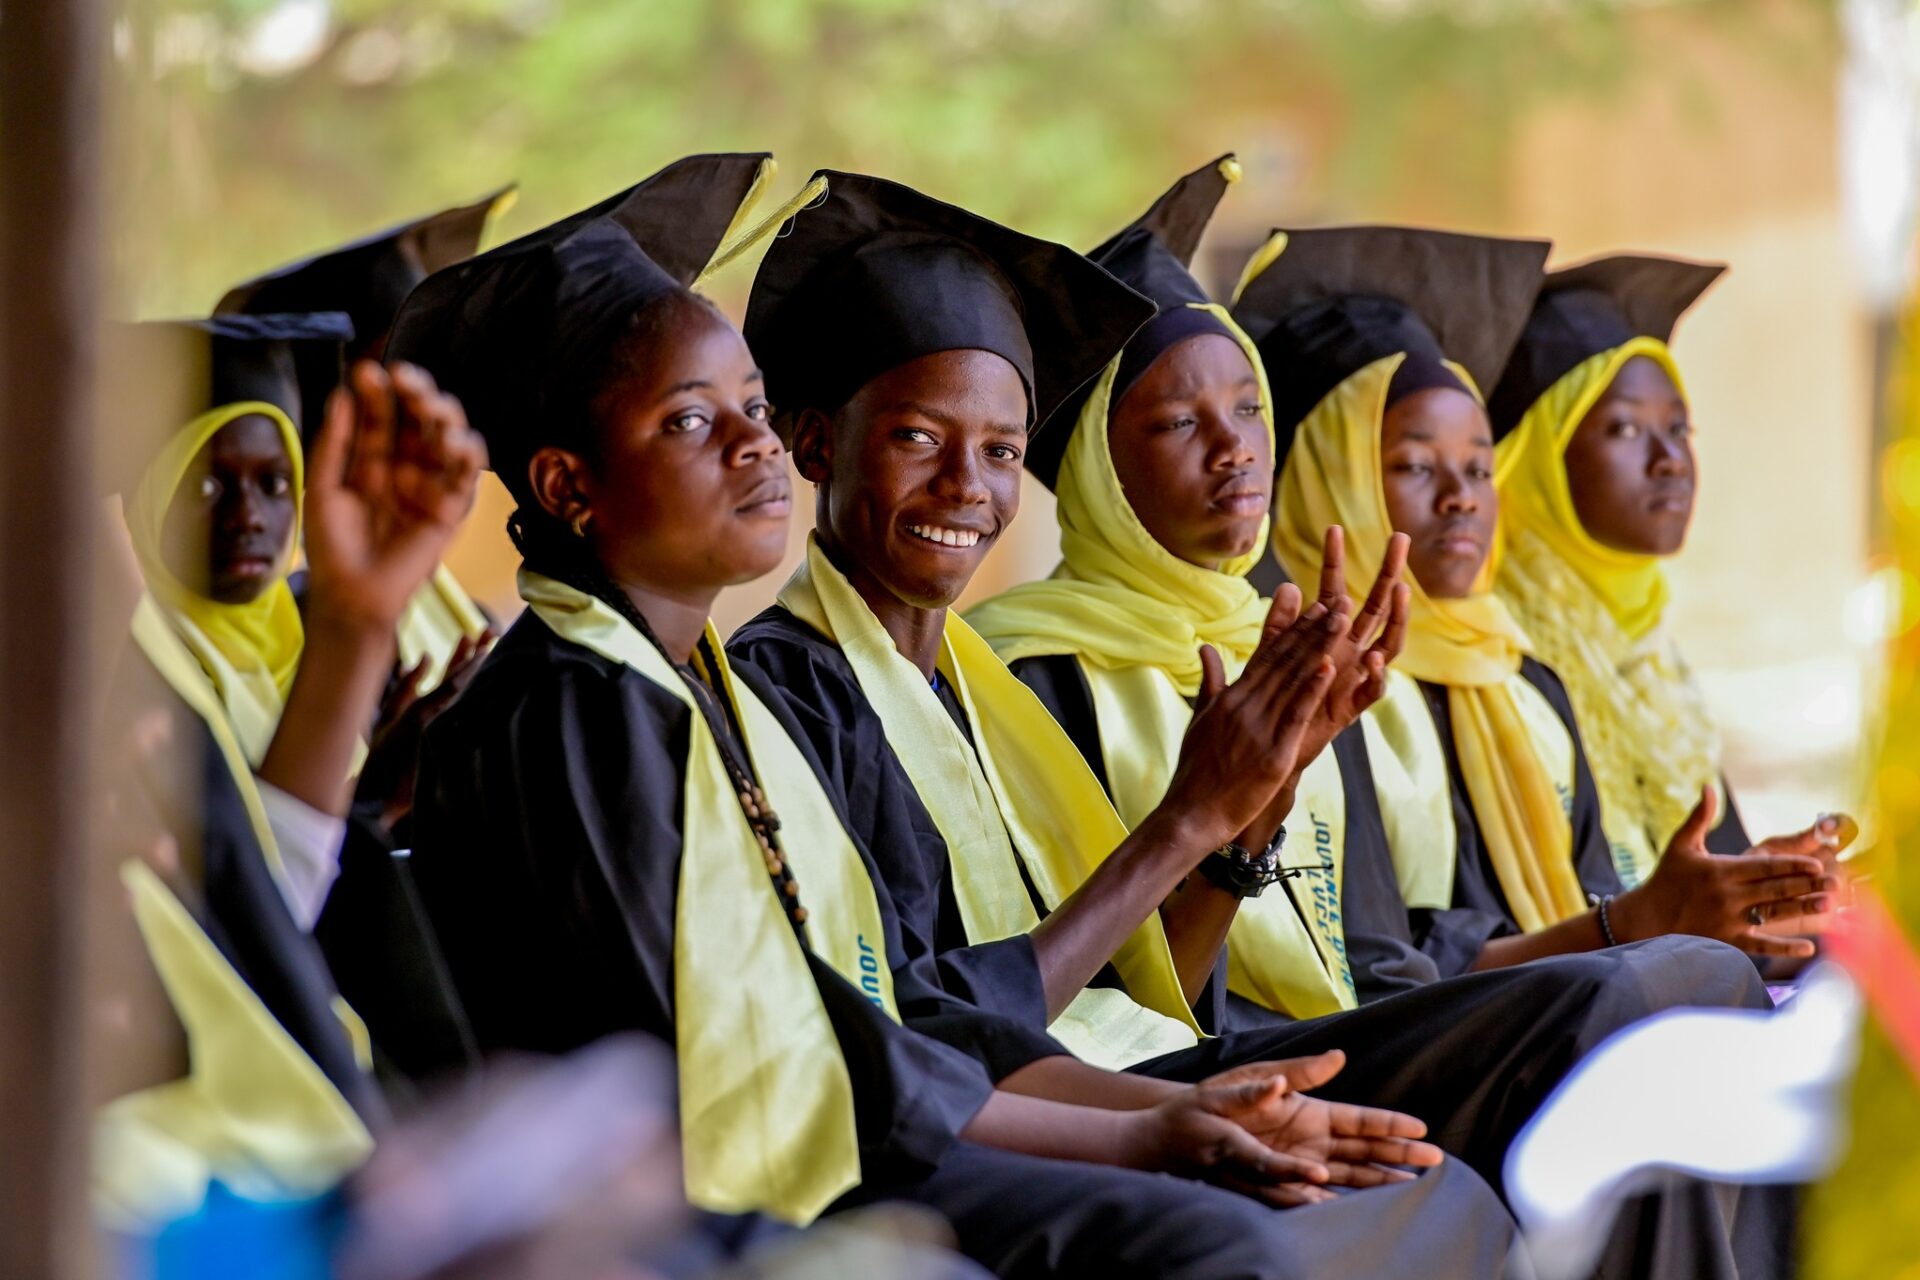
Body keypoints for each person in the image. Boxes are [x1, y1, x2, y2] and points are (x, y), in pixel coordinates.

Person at [390, 154, 1526, 1279]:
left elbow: (876, 1016)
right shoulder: (585, 708)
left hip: (925, 1110)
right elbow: (757, 1063)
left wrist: (1159, 1088)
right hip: (729, 1197)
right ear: (565, 487)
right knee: (1225, 1237)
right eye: (692, 422)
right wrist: (1138, 1120)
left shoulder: (692, 688)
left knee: (1430, 1184)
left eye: (748, 406)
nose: (753, 444)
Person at [727, 172, 1805, 1280]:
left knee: (1692, 986)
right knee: (1622, 1006)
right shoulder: (914, 676)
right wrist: (1198, 825)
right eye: (919, 437)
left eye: (1001, 449)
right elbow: (938, 1029)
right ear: (816, 446)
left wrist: (1247, 816)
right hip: (1083, 1090)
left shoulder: (990, 684)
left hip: (1172, 1051)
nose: (1238, 451)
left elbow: (1155, 985)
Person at [1231, 224, 1843, 977]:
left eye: (1477, 469)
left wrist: (1757, 895)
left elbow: (1619, 907)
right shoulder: (1323, 696)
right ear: (1335, 481)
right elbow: (1390, 969)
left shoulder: (1522, 682)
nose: (1460, 500)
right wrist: (1652, 926)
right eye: (1416, 467)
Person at [966, 156, 1433, 1018]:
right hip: (1183, 1075)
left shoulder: (1291, 651)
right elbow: (1103, 1009)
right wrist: (1231, 819)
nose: (1235, 447)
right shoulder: (1020, 674)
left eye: (1249, 407)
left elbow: (1376, 961)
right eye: (1181, 422)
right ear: (1099, 470)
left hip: (1349, 1046)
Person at [95, 321, 487, 1227]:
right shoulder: (138, 686)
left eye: (276, 486)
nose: (248, 518)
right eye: (203, 482)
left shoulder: (153, 721)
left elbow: (255, 900)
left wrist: (354, 631)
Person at [1487, 254, 1849, 899]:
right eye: (1624, 428)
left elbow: (1700, 881)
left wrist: (1769, 882)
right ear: (1536, 457)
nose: (1670, 461)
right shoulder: (1491, 652)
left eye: (1680, 429)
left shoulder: (1651, 660)